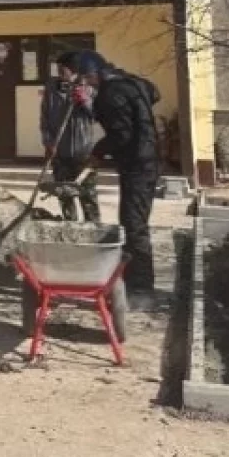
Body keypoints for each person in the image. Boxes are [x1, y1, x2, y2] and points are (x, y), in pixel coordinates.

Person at [69, 50, 162, 298]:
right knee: (134, 221)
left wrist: (97, 153)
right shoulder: (135, 83)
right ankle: (132, 278)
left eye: (86, 79)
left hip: (137, 164)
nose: (86, 84)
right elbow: (155, 94)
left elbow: (121, 135)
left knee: (133, 224)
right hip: (150, 159)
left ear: (93, 74)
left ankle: (140, 288)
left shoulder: (109, 94)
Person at [39, 52, 99, 222]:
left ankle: (93, 228)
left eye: (62, 69)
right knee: (64, 197)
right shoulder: (52, 89)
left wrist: (86, 101)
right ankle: (69, 226)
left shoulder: (89, 88)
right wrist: (48, 142)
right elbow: (44, 119)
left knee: (88, 197)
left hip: (83, 154)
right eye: (57, 68)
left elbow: (97, 116)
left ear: (74, 70)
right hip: (60, 153)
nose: (59, 72)